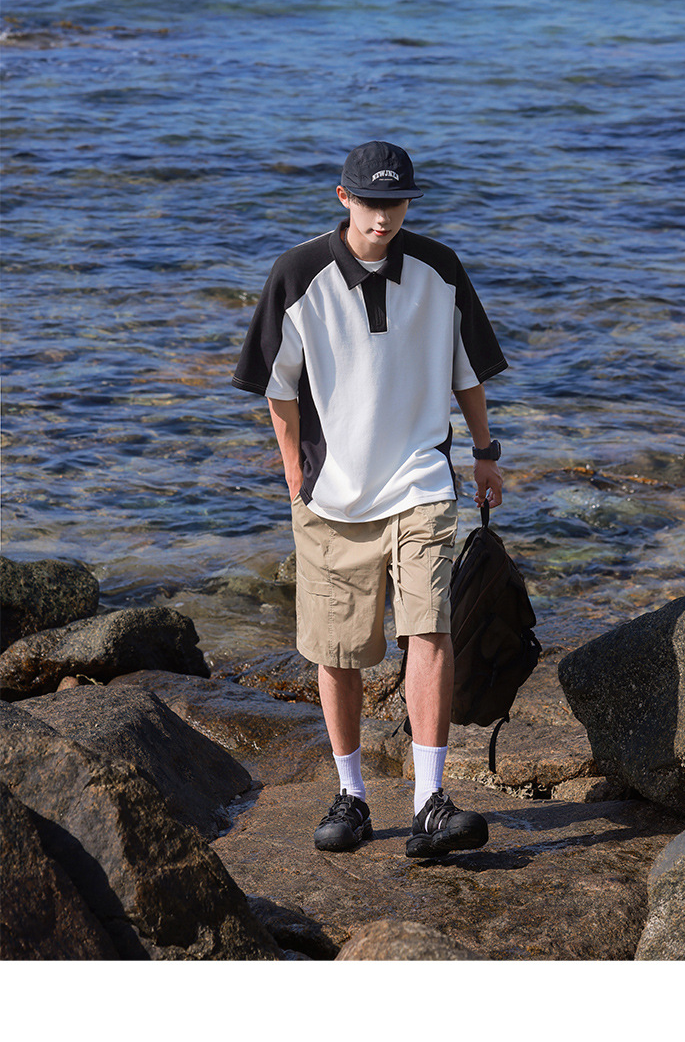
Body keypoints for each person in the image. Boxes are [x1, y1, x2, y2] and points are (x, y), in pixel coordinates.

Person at [232, 140, 507, 858]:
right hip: (333, 491)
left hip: (421, 480)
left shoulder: (441, 269)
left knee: (429, 628)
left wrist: (484, 454)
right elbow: (277, 386)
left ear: (409, 201)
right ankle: (352, 795)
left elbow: (468, 372)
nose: (384, 217)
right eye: (371, 202)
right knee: (339, 651)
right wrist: (293, 471)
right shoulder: (297, 275)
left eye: (396, 202)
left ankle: (429, 801)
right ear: (343, 197)